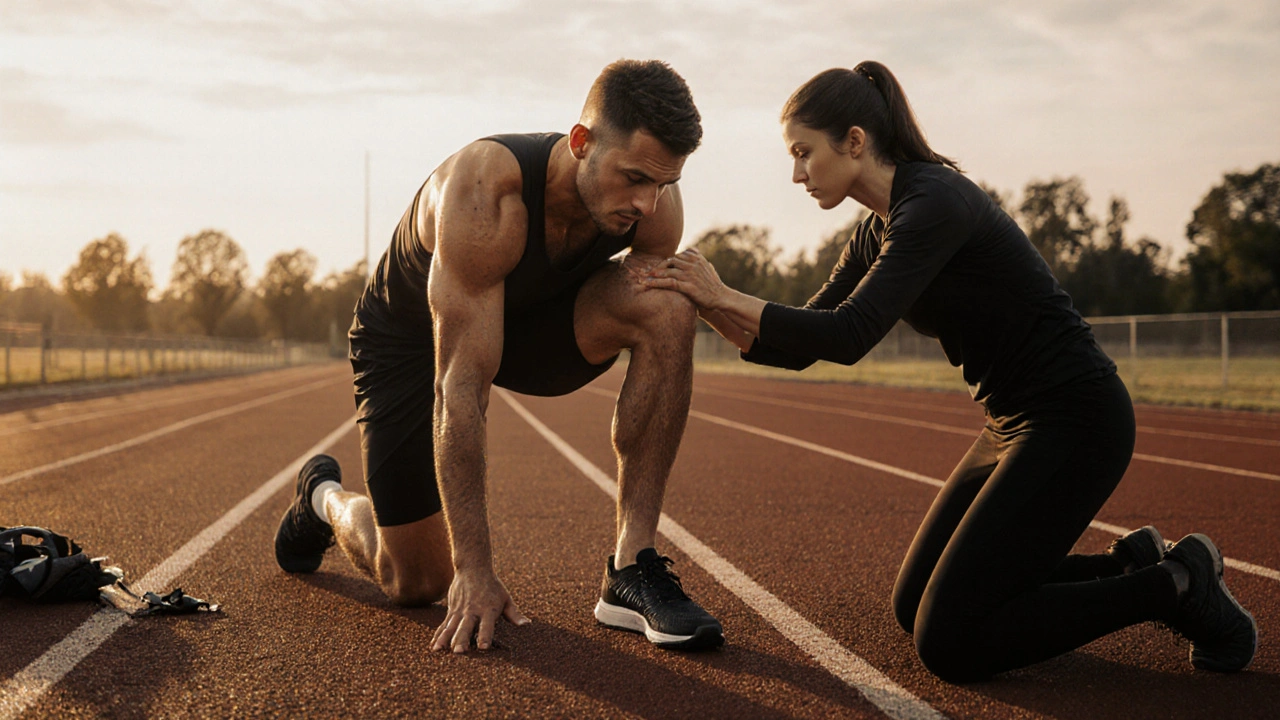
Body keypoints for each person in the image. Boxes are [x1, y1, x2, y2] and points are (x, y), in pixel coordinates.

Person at [641, 61, 1257, 681]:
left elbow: (852, 334)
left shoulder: (933, 200)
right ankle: (1129, 567)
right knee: (915, 607)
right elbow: (803, 340)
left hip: (1076, 417)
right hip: (1010, 423)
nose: (796, 173)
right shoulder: (873, 232)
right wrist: (703, 304)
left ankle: (1178, 584)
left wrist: (721, 294)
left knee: (951, 641)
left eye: (804, 153)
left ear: (855, 142)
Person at [273, 59, 724, 653]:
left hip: (534, 319)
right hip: (410, 340)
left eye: (663, 183)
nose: (647, 202)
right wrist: (474, 569)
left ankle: (632, 568)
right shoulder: (487, 193)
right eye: (635, 177)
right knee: (416, 580)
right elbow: (458, 387)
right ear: (582, 142)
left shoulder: (654, 205)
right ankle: (322, 499)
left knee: (668, 305)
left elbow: (656, 304)